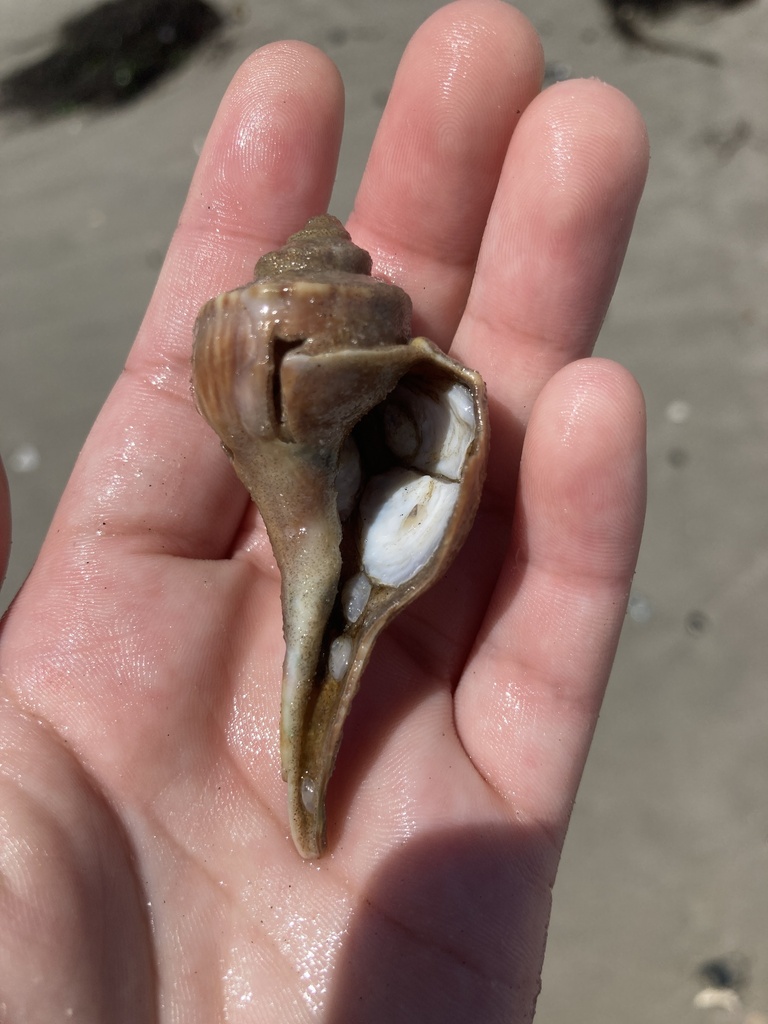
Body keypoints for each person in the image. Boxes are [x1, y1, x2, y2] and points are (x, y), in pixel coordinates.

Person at [0, 1, 648, 1019]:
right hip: (295, 399)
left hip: (299, 398)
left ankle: (308, 774)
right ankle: (309, 777)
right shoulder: (272, 342)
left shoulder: (313, 356)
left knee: (316, 560)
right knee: (315, 558)